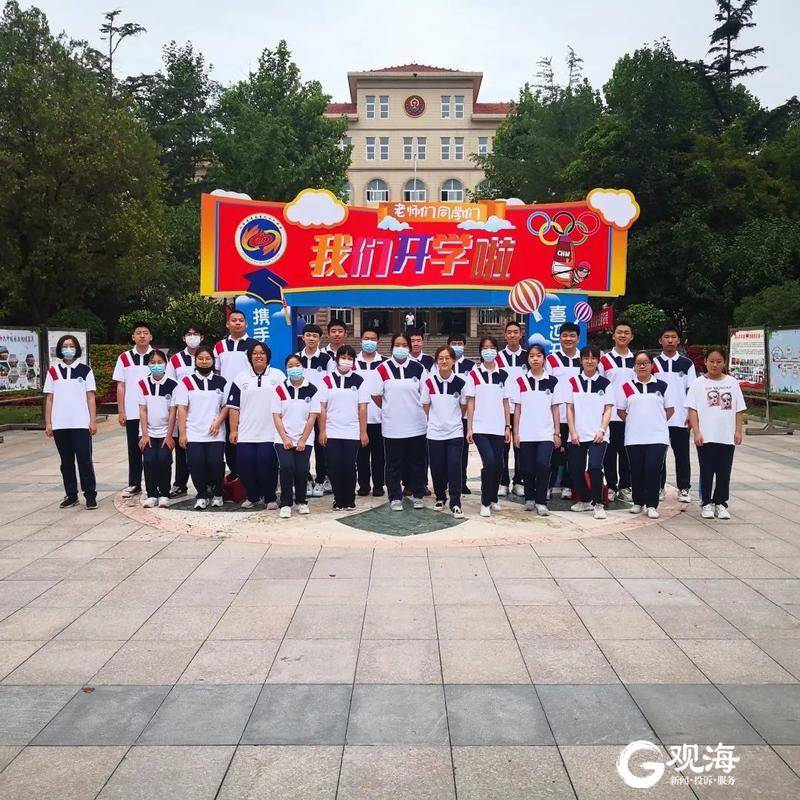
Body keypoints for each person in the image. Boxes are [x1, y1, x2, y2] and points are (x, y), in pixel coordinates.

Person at [686, 347, 746, 520]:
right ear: (705, 362)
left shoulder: (732, 383)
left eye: (719, 361)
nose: (715, 364)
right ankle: (706, 503)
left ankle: (721, 503)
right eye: (711, 361)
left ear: (724, 363)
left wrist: (738, 431)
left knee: (724, 472)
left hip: (726, 436)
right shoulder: (698, 383)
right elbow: (692, 410)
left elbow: (739, 410)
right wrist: (696, 432)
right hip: (706, 436)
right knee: (707, 471)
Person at [372, 332, 428, 511]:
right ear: (391, 347)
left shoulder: (418, 368)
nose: (401, 348)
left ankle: (418, 494)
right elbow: (376, 395)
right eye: (397, 345)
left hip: (416, 424)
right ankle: (395, 496)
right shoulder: (382, 369)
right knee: (393, 463)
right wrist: (390, 408)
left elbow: (425, 394)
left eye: (404, 345)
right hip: (393, 426)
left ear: (409, 348)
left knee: (417, 462)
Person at [226, 342, 285, 509]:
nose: (258, 356)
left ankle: (270, 497)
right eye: (255, 353)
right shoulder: (241, 378)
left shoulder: (278, 376)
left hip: (270, 432)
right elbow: (234, 407)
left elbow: (286, 403)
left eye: (262, 353)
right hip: (246, 432)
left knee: (266, 465)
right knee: (244, 465)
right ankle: (253, 496)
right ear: (250, 357)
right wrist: (233, 430)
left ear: (268, 356)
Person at [618, 351, 675, 519]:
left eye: (646, 363)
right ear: (634, 366)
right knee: (636, 470)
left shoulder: (662, 386)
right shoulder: (627, 387)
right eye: (638, 363)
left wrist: (656, 421)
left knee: (653, 469)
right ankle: (638, 502)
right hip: (634, 437)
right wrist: (634, 421)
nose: (642, 366)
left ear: (652, 365)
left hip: (657, 437)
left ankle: (651, 505)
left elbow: (670, 409)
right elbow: (621, 411)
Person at [44, 335, 98, 509]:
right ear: (60, 349)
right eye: (65, 346)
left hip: (81, 423)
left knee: (84, 461)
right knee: (66, 462)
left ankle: (90, 495)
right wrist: (48, 422)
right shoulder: (53, 371)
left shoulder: (85, 370)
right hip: (60, 424)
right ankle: (71, 495)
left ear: (77, 349)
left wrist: (92, 420)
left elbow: (91, 397)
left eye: (72, 346)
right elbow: (49, 398)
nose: (68, 349)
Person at [174, 345, 228, 510]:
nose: (204, 361)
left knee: (216, 463)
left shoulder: (221, 381)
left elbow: (226, 406)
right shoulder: (186, 381)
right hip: (194, 431)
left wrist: (218, 422)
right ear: (195, 361)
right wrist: (182, 433)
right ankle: (201, 495)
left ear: (213, 361)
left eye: (208, 358)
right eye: (201, 358)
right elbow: (182, 408)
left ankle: (218, 494)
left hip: (215, 432)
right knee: (196, 464)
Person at [565, 345, 614, 520]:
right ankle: (585, 499)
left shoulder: (605, 384)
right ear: (581, 360)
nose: (590, 361)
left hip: (598, 435)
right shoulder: (573, 382)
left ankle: (598, 504)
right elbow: (569, 409)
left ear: (598, 361)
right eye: (586, 358)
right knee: (575, 470)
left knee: (594, 467)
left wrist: (602, 430)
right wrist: (572, 432)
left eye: (593, 358)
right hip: (577, 434)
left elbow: (608, 409)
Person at [511, 344, 561, 515]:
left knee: (543, 465)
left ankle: (541, 501)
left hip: (546, 433)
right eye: (532, 356)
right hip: (526, 433)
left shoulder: (552, 381)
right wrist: (516, 433)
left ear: (544, 358)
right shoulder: (521, 381)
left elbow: (555, 408)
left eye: (538, 356)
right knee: (527, 468)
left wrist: (557, 432)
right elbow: (517, 409)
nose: (535, 359)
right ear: (528, 359)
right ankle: (529, 498)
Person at [319, 346, 370, 510]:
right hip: (332, 430)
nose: (346, 360)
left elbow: (362, 408)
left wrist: (363, 432)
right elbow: (322, 407)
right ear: (337, 359)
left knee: (349, 466)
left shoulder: (359, 380)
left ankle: (349, 499)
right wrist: (322, 431)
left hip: (351, 430)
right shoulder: (327, 380)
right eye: (343, 357)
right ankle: (338, 499)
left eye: (350, 358)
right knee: (334, 466)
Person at [465, 336, 512, 517]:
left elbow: (506, 402)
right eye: (485, 347)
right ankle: (485, 502)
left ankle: (493, 497)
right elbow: (471, 402)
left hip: (498, 427)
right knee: (490, 462)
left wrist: (507, 426)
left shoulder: (503, 375)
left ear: (497, 351)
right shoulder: (474, 374)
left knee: (499, 465)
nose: (488, 350)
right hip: (480, 428)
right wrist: (470, 427)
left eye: (492, 347)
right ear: (480, 351)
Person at [272, 354, 321, 518]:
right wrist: (285, 438)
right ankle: (286, 503)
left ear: (303, 367)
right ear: (286, 369)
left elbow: (312, 417)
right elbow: (276, 416)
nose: (294, 368)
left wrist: (303, 440)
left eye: (297, 365)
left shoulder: (312, 389)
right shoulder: (280, 389)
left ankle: (301, 501)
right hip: (283, 438)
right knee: (286, 467)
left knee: (302, 469)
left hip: (304, 438)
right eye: (290, 366)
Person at [653, 325, 696, 503]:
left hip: (681, 418)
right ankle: (658, 487)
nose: (670, 340)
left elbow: (692, 390)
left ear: (678, 340)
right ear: (660, 340)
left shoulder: (687, 364)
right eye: (666, 337)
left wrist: (692, 414)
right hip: (659, 418)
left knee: (682, 455)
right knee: (658, 455)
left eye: (673, 337)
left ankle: (684, 488)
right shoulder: (653, 363)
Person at [421, 346, 466, 516]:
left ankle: (455, 501)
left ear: (454, 360)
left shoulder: (461, 382)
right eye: (440, 358)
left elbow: (463, 406)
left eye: (447, 358)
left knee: (454, 466)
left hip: (454, 432)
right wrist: (436, 420)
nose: (444, 361)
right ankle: (440, 497)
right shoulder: (429, 382)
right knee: (437, 466)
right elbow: (426, 405)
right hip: (435, 433)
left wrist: (451, 419)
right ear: (436, 361)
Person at [113, 321, 154, 498]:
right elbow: (120, 386)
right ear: (133, 337)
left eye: (145, 332)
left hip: (153, 413)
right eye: (138, 333)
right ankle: (134, 483)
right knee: (134, 449)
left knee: (153, 450)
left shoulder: (157, 357)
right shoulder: (124, 357)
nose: (142, 336)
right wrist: (121, 411)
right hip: (132, 411)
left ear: (151, 336)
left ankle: (155, 484)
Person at [599, 319, 636, 501]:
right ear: (613, 336)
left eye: (626, 333)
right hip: (610, 414)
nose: (622, 335)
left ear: (631, 337)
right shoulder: (605, 359)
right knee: (610, 452)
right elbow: (599, 385)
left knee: (627, 452)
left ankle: (625, 485)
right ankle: (612, 486)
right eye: (619, 332)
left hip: (630, 414)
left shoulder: (636, 360)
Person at [214, 310, 253, 482]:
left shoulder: (254, 345)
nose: (237, 323)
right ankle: (234, 471)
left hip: (249, 399)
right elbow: (216, 373)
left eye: (241, 320)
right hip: (226, 401)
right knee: (230, 437)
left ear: (246, 324)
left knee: (248, 436)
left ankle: (248, 473)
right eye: (234, 320)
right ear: (227, 324)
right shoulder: (219, 346)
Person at [296, 324, 334, 497]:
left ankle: (321, 479)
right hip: (300, 409)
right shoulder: (296, 358)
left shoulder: (327, 359)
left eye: (315, 336)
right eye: (308, 335)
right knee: (302, 444)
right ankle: (304, 479)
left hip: (320, 409)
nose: (311, 338)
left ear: (320, 339)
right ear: (303, 337)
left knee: (321, 445)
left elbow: (331, 383)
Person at [166, 324, 204, 498]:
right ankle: (180, 484)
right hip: (181, 409)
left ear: (202, 337)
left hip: (202, 411)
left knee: (204, 450)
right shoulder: (175, 359)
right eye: (189, 334)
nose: (192, 337)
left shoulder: (207, 355)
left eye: (196, 334)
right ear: (183, 338)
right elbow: (170, 384)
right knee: (182, 449)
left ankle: (208, 485)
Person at [546, 322, 582, 500]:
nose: (568, 339)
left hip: (578, 416)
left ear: (578, 339)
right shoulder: (551, 360)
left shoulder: (585, 359)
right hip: (557, 415)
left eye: (572, 336)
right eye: (565, 335)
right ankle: (550, 484)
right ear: (559, 338)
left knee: (573, 453)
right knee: (554, 452)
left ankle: (569, 485)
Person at [137, 349, 177, 509]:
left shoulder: (173, 384)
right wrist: (144, 434)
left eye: (160, 362)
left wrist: (169, 435)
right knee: (149, 461)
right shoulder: (143, 383)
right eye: (152, 362)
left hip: (166, 432)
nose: (156, 365)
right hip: (148, 432)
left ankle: (164, 494)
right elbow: (142, 409)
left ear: (166, 364)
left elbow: (173, 411)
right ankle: (152, 494)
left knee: (164, 460)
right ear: (148, 364)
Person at [496, 321, 527, 497]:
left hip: (523, 409)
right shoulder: (498, 357)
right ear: (505, 335)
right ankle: (503, 482)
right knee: (503, 447)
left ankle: (519, 481)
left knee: (520, 447)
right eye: (509, 332)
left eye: (516, 332)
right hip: (503, 409)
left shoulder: (528, 356)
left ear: (521, 334)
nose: (513, 335)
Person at [355, 327, 385, 497]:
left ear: (378, 341)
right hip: (359, 418)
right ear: (361, 340)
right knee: (361, 456)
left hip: (380, 418)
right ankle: (364, 485)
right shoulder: (353, 362)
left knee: (380, 455)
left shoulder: (384, 363)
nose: (369, 342)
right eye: (366, 338)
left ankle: (379, 485)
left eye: (373, 339)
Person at [446, 333, 476, 495]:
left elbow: (472, 392)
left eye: (459, 343)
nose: (456, 346)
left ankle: (461, 481)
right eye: (454, 343)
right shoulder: (443, 363)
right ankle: (445, 481)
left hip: (463, 417)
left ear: (464, 345)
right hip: (445, 415)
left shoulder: (471, 366)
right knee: (445, 452)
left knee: (462, 452)